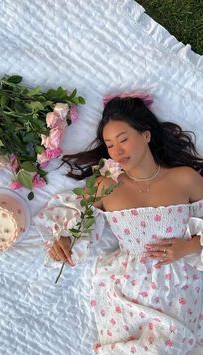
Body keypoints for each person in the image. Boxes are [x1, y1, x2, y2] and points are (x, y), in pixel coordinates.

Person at [34, 94, 203, 354]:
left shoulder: (185, 179)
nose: (117, 150)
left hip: (178, 285)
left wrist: (188, 247)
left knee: (172, 345)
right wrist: (65, 238)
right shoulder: (107, 185)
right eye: (110, 145)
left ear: (146, 135)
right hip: (126, 289)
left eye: (124, 139)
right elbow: (74, 217)